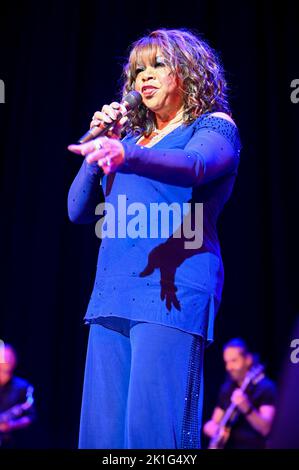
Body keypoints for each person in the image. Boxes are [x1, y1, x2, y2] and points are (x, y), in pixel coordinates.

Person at [67, 28, 242, 449]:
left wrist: (128, 154)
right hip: (112, 294)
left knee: (153, 435)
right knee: (102, 437)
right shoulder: (128, 140)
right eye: (138, 70)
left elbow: (195, 165)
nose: (144, 77)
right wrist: (102, 147)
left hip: (172, 292)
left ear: (188, 72)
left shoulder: (214, 126)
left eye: (158, 65)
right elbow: (75, 210)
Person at [203, 338, 276, 449]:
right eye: (226, 362)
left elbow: (267, 429)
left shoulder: (265, 387)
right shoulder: (227, 388)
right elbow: (214, 422)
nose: (229, 367)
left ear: (248, 359)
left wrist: (247, 408)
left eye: (234, 361)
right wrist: (210, 428)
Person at [0, 344, 35, 448]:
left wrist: (11, 425)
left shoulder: (23, 386)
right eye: (4, 356)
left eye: (10, 357)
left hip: (10, 442)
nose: (8, 360)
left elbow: (30, 417)